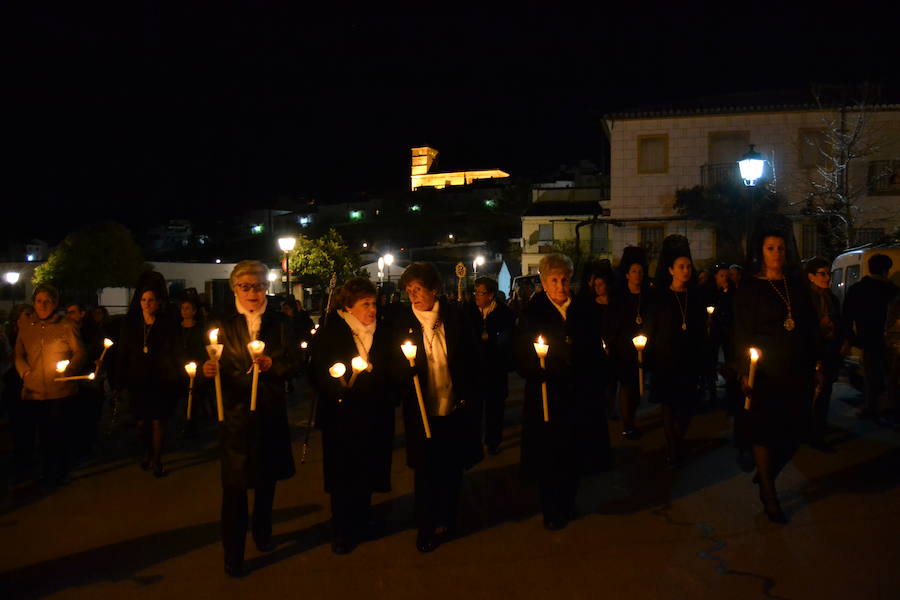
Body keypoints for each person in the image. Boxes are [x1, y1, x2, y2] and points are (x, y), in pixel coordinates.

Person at [201, 260, 300, 577]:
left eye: (258, 285)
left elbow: (295, 360)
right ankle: (233, 553)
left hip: (269, 413)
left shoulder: (279, 322)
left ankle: (263, 531)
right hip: (235, 417)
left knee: (266, 482)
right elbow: (207, 362)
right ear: (235, 289)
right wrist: (208, 371)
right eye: (246, 286)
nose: (253, 292)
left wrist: (275, 366)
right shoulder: (223, 323)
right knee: (234, 488)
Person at [734, 217, 821, 523]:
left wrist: (817, 361)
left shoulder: (795, 285)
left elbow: (808, 325)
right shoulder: (751, 288)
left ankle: (766, 472)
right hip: (766, 372)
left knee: (795, 430)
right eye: (771, 248)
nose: (777, 253)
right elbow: (742, 331)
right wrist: (744, 370)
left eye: (781, 248)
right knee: (765, 430)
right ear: (762, 252)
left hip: (795, 368)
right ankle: (769, 494)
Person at [390, 262, 482, 553]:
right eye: (409, 290)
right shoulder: (401, 323)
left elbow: (471, 358)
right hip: (422, 410)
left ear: (434, 290)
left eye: (418, 289)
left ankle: (449, 517)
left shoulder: (456, 317)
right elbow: (393, 365)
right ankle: (426, 525)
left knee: (451, 469)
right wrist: (405, 374)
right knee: (426, 471)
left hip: (454, 406)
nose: (413, 294)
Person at [308, 277, 394, 554]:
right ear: (348, 306)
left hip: (375, 413)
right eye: (365, 304)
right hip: (342, 416)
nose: (373, 310)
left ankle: (364, 517)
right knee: (344, 474)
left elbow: (392, 366)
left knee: (368, 468)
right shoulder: (332, 332)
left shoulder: (383, 331)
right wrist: (338, 384)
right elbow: (318, 371)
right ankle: (342, 528)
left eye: (374, 303)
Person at [515, 253, 582, 530]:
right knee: (549, 454)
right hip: (546, 392)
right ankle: (551, 507)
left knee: (572, 451)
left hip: (575, 392)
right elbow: (520, 352)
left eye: (564, 279)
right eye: (554, 280)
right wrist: (535, 368)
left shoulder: (581, 309)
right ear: (544, 283)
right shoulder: (534, 313)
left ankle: (568, 500)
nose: (560, 285)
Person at [14, 285, 86, 489]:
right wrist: (25, 373)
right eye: (39, 301)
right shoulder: (27, 326)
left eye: (47, 301)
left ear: (55, 303)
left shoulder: (66, 325)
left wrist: (68, 370)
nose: (43, 305)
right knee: (43, 435)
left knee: (58, 433)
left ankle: (61, 470)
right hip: (34, 391)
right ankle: (47, 471)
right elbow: (18, 353)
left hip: (60, 391)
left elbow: (80, 352)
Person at [646, 236, 707, 467]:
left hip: (689, 359)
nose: (686, 270)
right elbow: (651, 328)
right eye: (681, 267)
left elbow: (700, 329)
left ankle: (678, 438)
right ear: (671, 270)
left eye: (689, 266)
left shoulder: (696, 297)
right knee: (669, 405)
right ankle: (672, 446)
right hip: (667, 360)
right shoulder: (660, 297)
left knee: (688, 405)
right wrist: (648, 354)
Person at [114, 285, 179, 477]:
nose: (147, 304)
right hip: (138, 380)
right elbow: (123, 353)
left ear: (158, 303)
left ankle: (157, 459)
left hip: (160, 379)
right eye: (144, 300)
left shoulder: (167, 324)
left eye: (151, 300)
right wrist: (119, 380)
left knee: (159, 421)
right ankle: (147, 451)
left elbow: (174, 351)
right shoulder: (131, 325)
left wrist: (180, 374)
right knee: (142, 422)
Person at [568, 261, 614, 472]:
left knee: (596, 413)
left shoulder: (606, 304)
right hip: (583, 364)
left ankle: (597, 456)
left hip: (597, 362)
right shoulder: (580, 304)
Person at [842, 253, 897, 420]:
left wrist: (852, 339)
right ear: (885, 271)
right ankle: (891, 407)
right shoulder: (891, 290)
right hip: (889, 340)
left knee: (871, 376)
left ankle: (871, 407)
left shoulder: (857, 289)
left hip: (866, 340)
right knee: (892, 377)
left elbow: (846, 316)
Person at [466, 276, 516, 455]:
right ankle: (474, 442)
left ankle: (493, 440)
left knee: (495, 407)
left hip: (495, 369)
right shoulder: (469, 311)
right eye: (476, 292)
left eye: (481, 293)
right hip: (475, 370)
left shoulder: (504, 313)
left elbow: (507, 341)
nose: (477, 296)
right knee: (475, 409)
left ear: (491, 295)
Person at [607, 246, 651, 440]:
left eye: (640, 271)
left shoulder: (647, 296)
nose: (638, 275)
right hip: (624, 348)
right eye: (634, 271)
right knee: (627, 385)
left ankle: (631, 418)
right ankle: (627, 424)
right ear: (626, 275)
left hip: (642, 348)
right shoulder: (619, 297)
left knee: (636, 386)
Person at [805, 257, 844, 449]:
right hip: (813, 353)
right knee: (814, 394)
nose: (827, 278)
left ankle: (818, 429)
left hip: (829, 351)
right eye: (822, 273)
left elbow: (839, 320)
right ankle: (813, 434)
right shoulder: (805, 299)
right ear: (811, 276)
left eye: (828, 273)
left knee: (825, 392)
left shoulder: (831, 298)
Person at [177, 297, 211, 435]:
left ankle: (192, 424)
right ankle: (184, 422)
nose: (185, 311)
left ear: (194, 311)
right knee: (183, 399)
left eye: (188, 308)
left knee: (194, 397)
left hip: (197, 368)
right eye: (182, 308)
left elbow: (203, 348)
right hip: (181, 368)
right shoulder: (177, 329)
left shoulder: (200, 329)